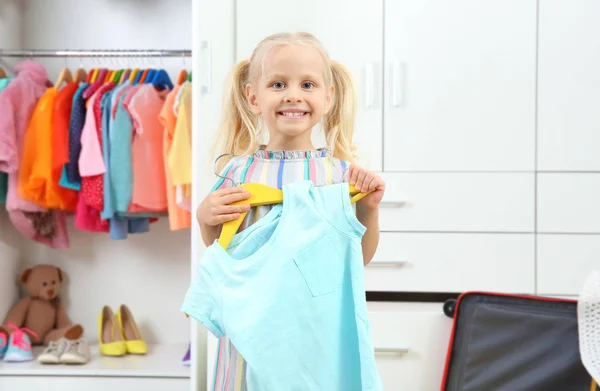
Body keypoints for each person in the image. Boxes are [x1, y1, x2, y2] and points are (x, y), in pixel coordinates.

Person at [196, 31, 385, 390]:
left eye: (308, 84)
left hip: (313, 327)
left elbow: (356, 259)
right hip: (250, 324)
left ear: (329, 98)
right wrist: (205, 217)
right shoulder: (238, 172)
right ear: (253, 97)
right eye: (278, 84)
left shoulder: (339, 176)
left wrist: (369, 211)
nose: (293, 95)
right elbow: (221, 249)